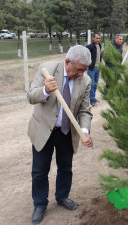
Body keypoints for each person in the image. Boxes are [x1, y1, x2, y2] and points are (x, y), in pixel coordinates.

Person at [27, 45, 93, 224]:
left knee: (66, 168)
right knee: (40, 171)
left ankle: (62, 196)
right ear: (67, 62)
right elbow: (31, 96)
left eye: (84, 71)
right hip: (44, 130)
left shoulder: (85, 80)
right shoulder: (47, 69)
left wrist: (84, 131)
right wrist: (45, 91)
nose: (81, 74)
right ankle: (40, 204)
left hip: (66, 131)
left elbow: (85, 110)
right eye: (78, 70)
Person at [86, 33, 103, 106]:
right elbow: (85, 56)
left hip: (98, 68)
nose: (98, 40)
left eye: (99, 38)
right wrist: (88, 65)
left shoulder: (99, 45)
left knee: (95, 83)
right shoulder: (90, 47)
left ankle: (93, 98)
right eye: (97, 38)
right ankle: (91, 100)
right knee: (92, 84)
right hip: (91, 69)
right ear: (93, 38)